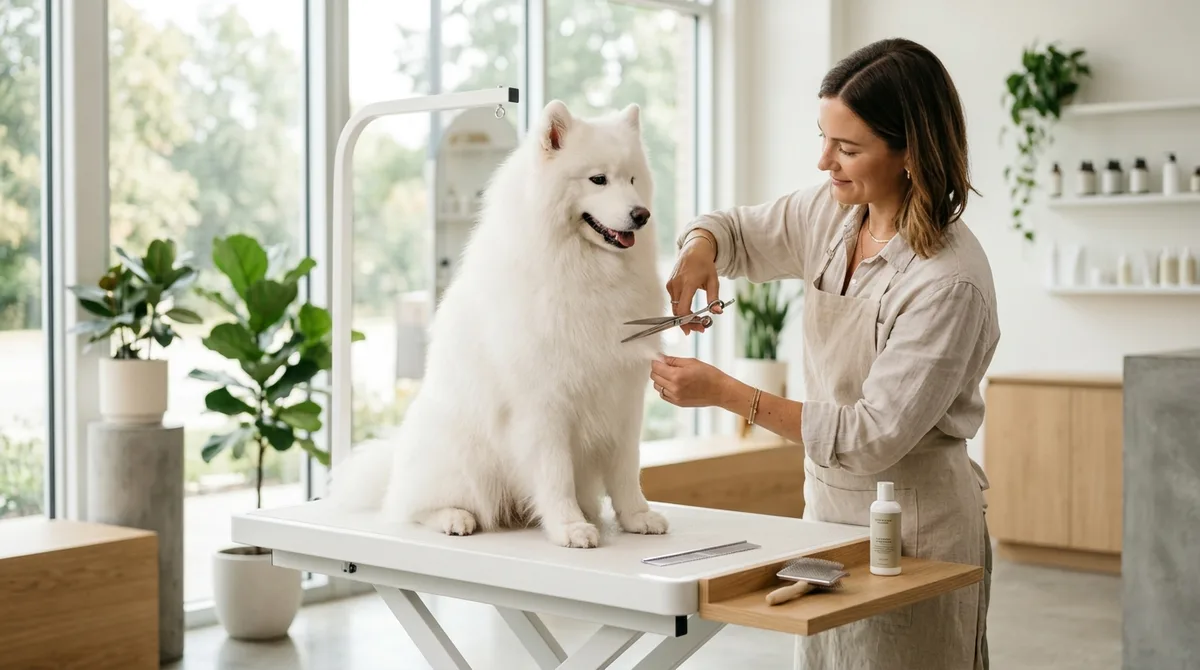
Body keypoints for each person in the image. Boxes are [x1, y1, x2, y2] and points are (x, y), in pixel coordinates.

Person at [650, 37, 998, 670]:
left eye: (848, 147)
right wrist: (700, 246)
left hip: (917, 530)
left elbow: (870, 437)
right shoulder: (833, 215)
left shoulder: (948, 282)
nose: (823, 162)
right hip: (827, 520)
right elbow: (733, 229)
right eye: (824, 137)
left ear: (911, 152)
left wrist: (727, 394)